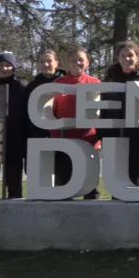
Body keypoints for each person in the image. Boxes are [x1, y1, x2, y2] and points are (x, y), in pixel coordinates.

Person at [102, 41, 139, 188]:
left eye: (130, 55)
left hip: (137, 138)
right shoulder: (109, 80)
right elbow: (103, 110)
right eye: (123, 55)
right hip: (113, 138)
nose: (127, 59)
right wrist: (102, 133)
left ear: (137, 57)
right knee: (115, 182)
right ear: (118, 57)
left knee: (135, 179)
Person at [50, 47, 101, 200]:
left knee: (91, 190)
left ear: (87, 63)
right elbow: (51, 112)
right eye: (73, 60)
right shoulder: (57, 84)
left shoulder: (96, 83)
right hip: (64, 143)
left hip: (89, 142)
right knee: (63, 189)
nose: (77, 63)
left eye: (80, 60)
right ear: (67, 63)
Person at [0, 52, 28, 199]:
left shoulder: (21, 89)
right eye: (0, 65)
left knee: (13, 183)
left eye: (8, 65)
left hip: (14, 141)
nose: (4, 68)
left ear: (13, 68)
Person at [26, 50, 65, 142]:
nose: (46, 64)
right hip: (39, 136)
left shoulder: (67, 83)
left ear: (56, 63)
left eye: (49, 61)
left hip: (64, 135)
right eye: (42, 61)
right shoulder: (31, 87)